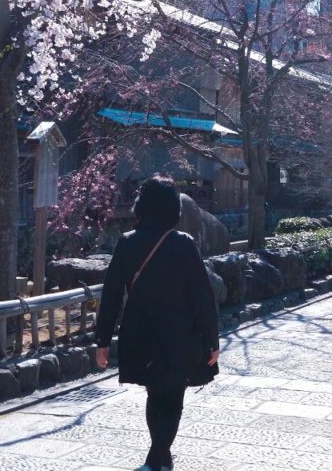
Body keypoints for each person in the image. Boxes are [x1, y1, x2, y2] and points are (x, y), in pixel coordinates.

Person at [95, 175, 220, 471]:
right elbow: (203, 297)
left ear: (142, 206)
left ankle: (159, 456)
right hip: (179, 334)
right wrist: (212, 341)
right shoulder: (183, 244)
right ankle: (158, 456)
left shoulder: (126, 243)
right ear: (172, 207)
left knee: (154, 393)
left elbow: (111, 295)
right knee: (173, 396)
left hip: (140, 332)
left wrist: (102, 341)